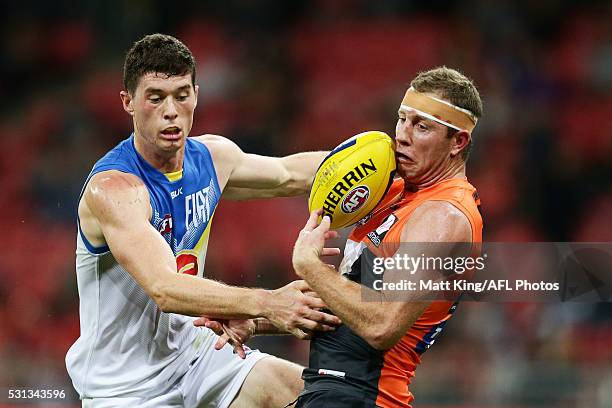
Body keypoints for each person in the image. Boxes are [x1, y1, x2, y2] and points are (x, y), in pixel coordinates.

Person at [65, 33, 341, 408]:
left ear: (196, 94)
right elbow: (164, 288)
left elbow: (290, 174)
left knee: (321, 399)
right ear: (128, 102)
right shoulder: (113, 189)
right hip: (125, 389)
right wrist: (265, 303)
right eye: (155, 97)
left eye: (181, 95)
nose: (171, 110)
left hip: (197, 356)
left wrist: (392, 159)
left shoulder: (212, 157)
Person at [290, 67, 484, 407]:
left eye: (421, 126)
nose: (403, 136)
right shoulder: (393, 190)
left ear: (458, 142)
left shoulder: (443, 216)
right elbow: (347, 305)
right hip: (332, 391)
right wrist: (257, 318)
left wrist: (310, 266)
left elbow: (383, 323)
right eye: (402, 119)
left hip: (364, 398)